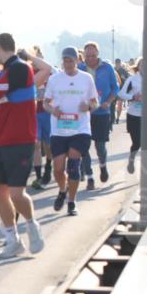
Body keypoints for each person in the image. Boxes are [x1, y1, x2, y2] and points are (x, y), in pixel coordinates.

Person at [0, 33, 45, 258]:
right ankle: (12, 239)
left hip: (20, 139)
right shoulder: (4, 73)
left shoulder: (19, 68)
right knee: (0, 191)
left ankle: (32, 225)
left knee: (17, 193)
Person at [45, 47, 100, 217]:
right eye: (65, 61)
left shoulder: (86, 78)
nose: (68, 64)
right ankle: (63, 190)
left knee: (73, 166)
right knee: (58, 169)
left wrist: (88, 106)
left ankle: (72, 201)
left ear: (77, 60)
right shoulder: (54, 79)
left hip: (80, 129)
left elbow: (95, 102)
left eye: (71, 60)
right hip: (59, 130)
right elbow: (45, 103)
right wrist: (53, 110)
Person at [79, 42, 120, 188]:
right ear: (84, 55)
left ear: (98, 54)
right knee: (84, 146)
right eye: (88, 56)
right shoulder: (80, 68)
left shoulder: (107, 68)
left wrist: (108, 102)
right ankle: (89, 177)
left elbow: (115, 88)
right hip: (85, 113)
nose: (90, 58)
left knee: (100, 146)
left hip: (102, 112)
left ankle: (103, 165)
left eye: (93, 55)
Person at [24, 47, 54, 190]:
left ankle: (48, 165)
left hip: (48, 114)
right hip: (34, 114)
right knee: (36, 144)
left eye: (40, 58)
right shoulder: (27, 73)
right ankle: (38, 176)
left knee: (48, 145)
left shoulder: (51, 73)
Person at [117, 58, 144, 174]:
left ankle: (146, 168)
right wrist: (133, 97)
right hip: (134, 115)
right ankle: (131, 160)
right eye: (142, 65)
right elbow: (121, 94)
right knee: (137, 142)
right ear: (138, 66)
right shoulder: (132, 80)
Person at [114, 58, 131, 124]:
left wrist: (124, 78)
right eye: (116, 63)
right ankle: (113, 117)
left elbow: (128, 79)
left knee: (120, 104)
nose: (118, 64)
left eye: (118, 63)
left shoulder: (123, 71)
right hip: (114, 90)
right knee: (113, 105)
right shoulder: (113, 70)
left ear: (120, 63)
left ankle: (117, 118)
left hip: (121, 90)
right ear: (115, 63)